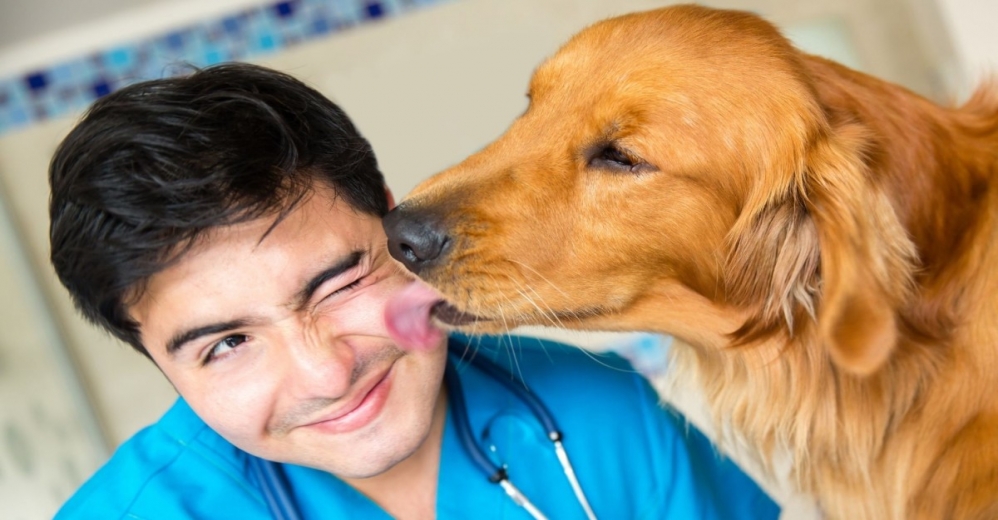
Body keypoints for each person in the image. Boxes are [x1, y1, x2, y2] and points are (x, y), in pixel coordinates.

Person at [48, 62, 780, 519]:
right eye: (229, 343)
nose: (327, 373)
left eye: (338, 284)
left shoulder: (600, 410)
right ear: (153, 357)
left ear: (398, 227)